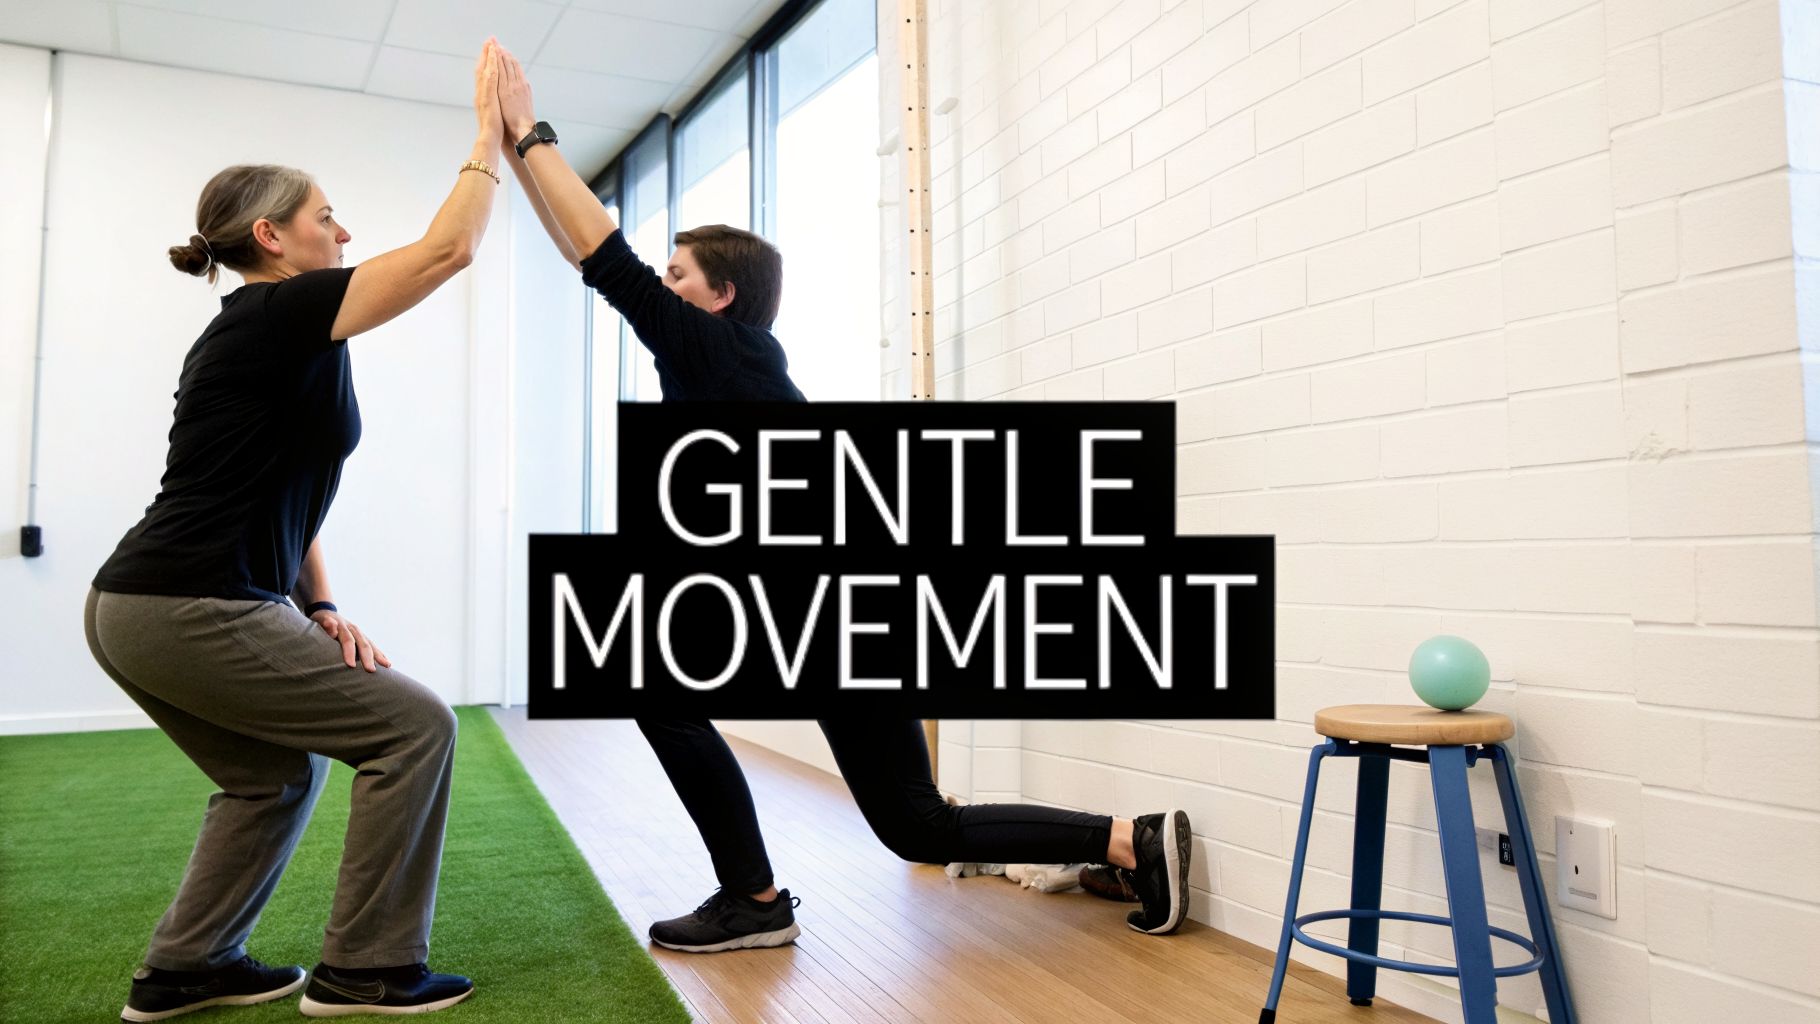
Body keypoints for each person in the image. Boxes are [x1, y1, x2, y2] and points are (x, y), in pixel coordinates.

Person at [490, 46, 1194, 954]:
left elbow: (608, 261)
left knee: (678, 705)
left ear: (720, 296)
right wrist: (518, 163)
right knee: (916, 825)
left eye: (677, 278)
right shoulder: (724, 364)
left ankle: (754, 900)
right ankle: (1126, 842)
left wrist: (530, 133)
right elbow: (598, 266)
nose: (660, 289)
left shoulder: (724, 352)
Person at [86, 40, 511, 1023]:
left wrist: (317, 602)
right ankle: (367, 970)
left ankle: (186, 966)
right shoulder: (280, 313)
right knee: (414, 725)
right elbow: (449, 250)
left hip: (145, 604)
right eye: (328, 217)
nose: (345, 231)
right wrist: (488, 138)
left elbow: (284, 486)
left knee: (269, 777)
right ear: (273, 236)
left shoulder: (278, 330)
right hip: (187, 600)